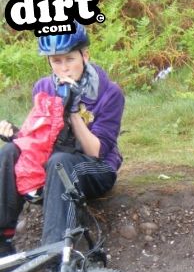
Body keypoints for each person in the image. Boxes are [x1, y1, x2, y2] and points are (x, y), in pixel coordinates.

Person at [0, 21, 124, 259]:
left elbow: (95, 151)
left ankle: (56, 256)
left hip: (96, 167)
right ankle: (2, 242)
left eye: (70, 59)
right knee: (9, 152)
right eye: (56, 61)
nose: (64, 68)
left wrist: (74, 111)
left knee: (60, 162)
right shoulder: (44, 87)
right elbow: (39, 137)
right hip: (55, 160)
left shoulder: (109, 93)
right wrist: (15, 134)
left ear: (84, 55)